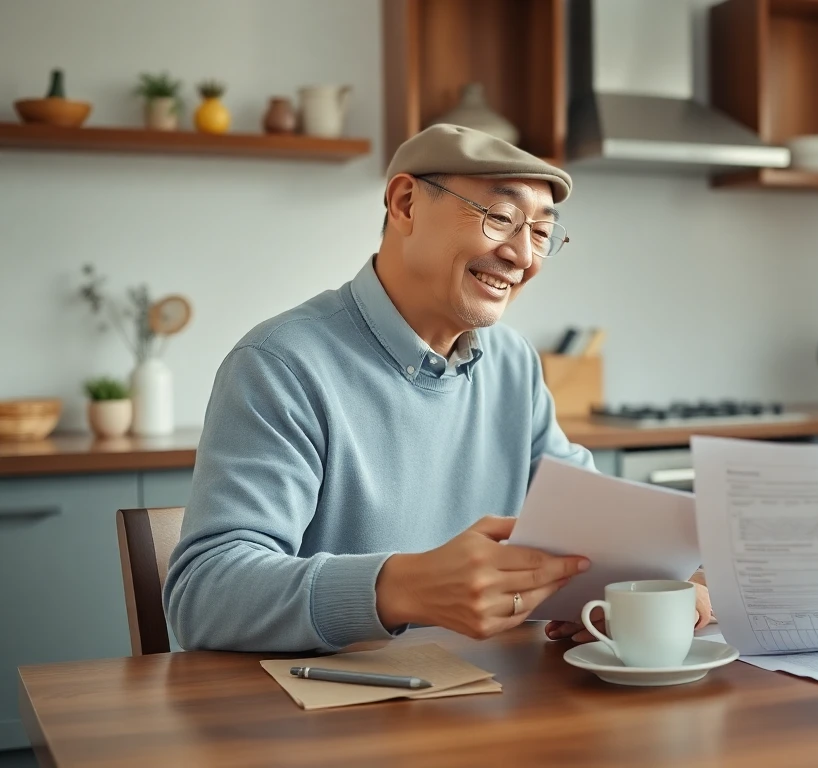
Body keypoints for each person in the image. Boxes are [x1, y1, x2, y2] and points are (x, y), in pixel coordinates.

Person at [165, 125, 709, 652]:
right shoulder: (281, 364)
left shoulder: (513, 364)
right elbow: (203, 596)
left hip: (491, 704)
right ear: (405, 204)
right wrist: (401, 588)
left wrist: (664, 590)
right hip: (330, 719)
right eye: (501, 217)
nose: (523, 256)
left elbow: (597, 533)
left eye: (541, 232)